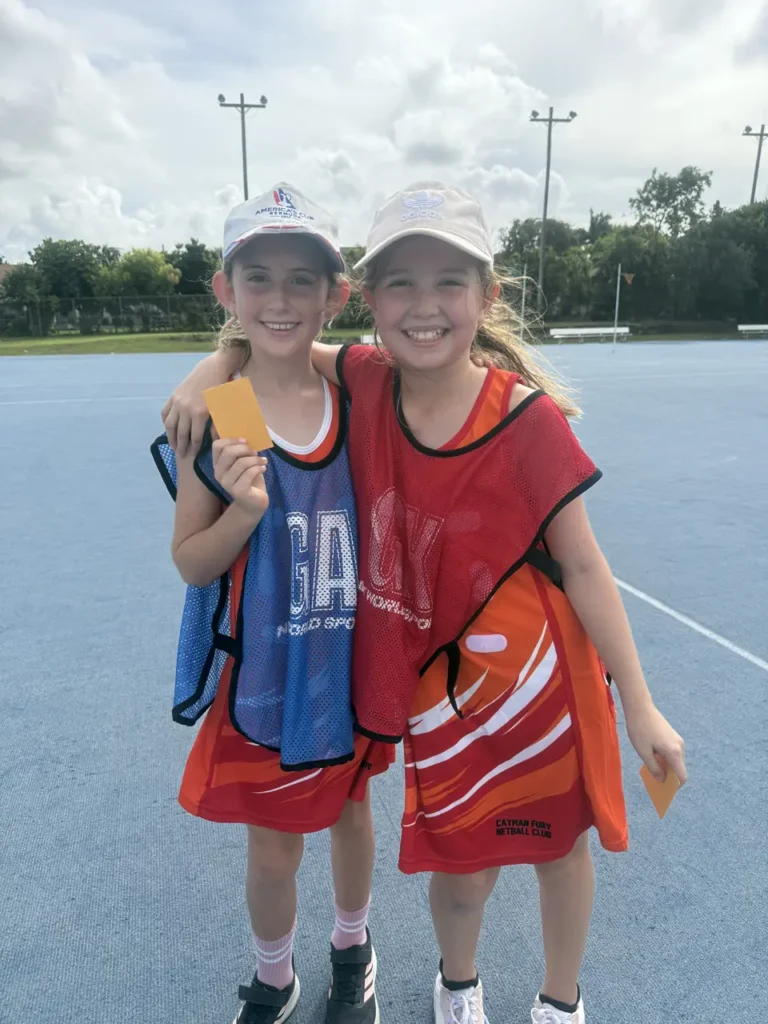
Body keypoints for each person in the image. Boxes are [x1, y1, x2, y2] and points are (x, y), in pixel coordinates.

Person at [161, 181, 687, 1024]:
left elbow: (586, 569)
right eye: (400, 283)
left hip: (510, 675)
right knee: (448, 855)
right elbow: (271, 362)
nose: (424, 305)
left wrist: (642, 706)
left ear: (487, 295)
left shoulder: (492, 411)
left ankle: (538, 996)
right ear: (367, 300)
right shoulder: (349, 384)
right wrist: (214, 368)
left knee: (543, 846)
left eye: (449, 283)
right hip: (378, 678)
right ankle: (423, 982)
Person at [152, 183, 391, 1024]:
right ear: (226, 290)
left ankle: (353, 948)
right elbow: (190, 562)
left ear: (336, 294)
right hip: (263, 674)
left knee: (353, 814)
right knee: (271, 847)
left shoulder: (357, 392)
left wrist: (212, 357)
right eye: (259, 278)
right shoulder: (221, 412)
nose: (281, 300)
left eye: (303, 281)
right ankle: (275, 975)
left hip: (347, 665)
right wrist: (244, 514)